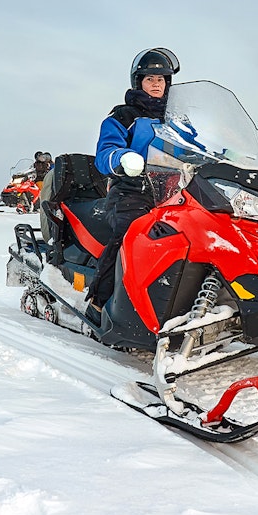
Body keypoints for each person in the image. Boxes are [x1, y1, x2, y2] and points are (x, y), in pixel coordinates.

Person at [85, 47, 180, 319]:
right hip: (132, 190)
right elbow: (105, 153)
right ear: (138, 82)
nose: (156, 84)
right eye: (150, 79)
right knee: (130, 234)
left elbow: (198, 145)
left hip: (173, 191)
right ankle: (98, 304)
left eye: (161, 79)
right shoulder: (123, 116)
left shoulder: (177, 120)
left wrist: (227, 155)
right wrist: (123, 157)